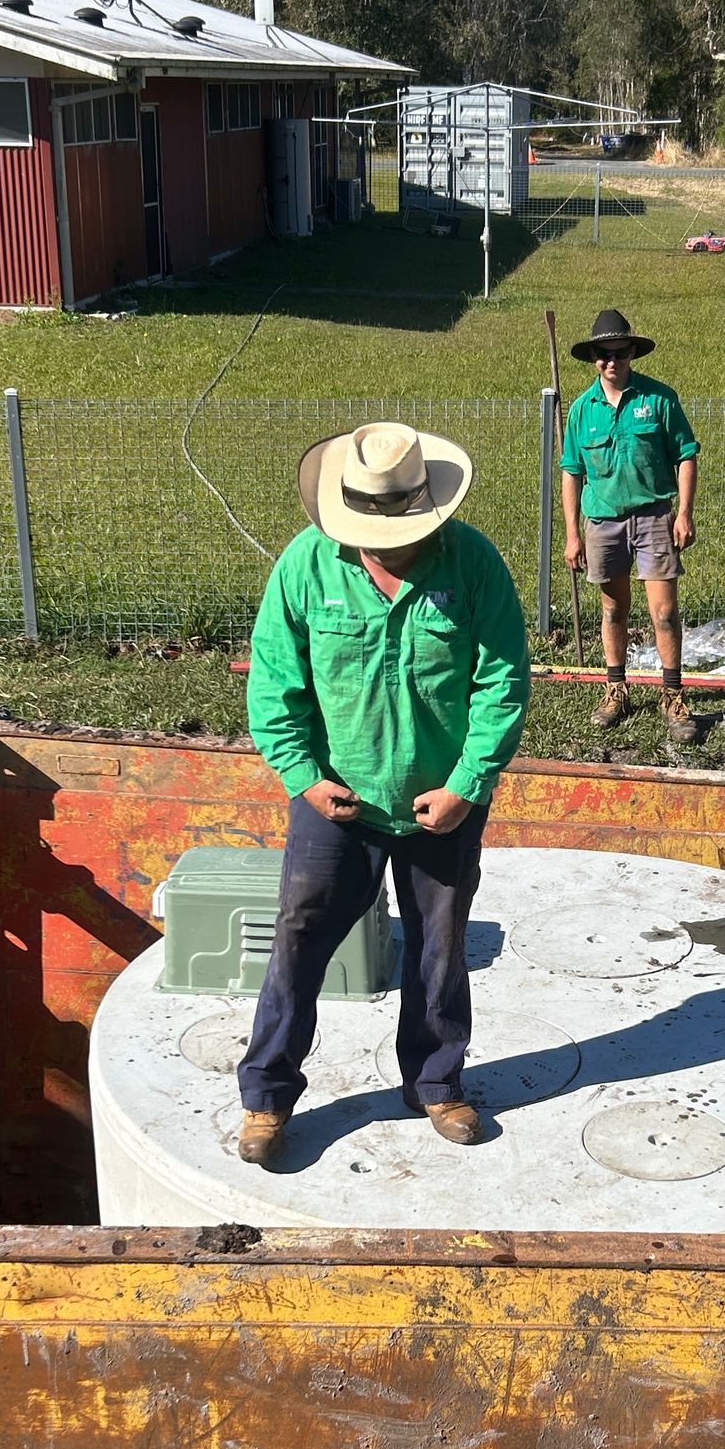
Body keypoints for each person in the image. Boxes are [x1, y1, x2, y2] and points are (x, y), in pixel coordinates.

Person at [235, 422, 531, 1167]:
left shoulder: (474, 566)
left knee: (439, 948)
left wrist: (467, 785)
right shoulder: (304, 567)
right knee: (299, 941)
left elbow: (502, 683)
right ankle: (266, 1096)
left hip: (444, 804)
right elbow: (275, 687)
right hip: (338, 800)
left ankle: (436, 1083)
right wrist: (303, 776)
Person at [559, 307, 700, 744]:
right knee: (614, 609)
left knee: (664, 611)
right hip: (602, 522)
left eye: (620, 352)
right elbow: (571, 471)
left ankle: (673, 695)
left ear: (632, 352)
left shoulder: (659, 399)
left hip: (655, 517)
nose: (612, 361)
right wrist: (571, 533)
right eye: (604, 354)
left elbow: (686, 455)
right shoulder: (582, 410)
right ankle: (616, 689)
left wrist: (684, 512)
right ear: (594, 357)